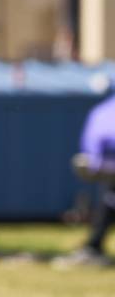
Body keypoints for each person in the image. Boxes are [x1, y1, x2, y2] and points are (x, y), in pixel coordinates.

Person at [54, 90, 115, 269]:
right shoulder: (105, 110)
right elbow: (98, 139)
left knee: (109, 198)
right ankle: (93, 248)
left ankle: (93, 247)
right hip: (107, 165)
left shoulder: (103, 109)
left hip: (104, 164)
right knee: (110, 198)